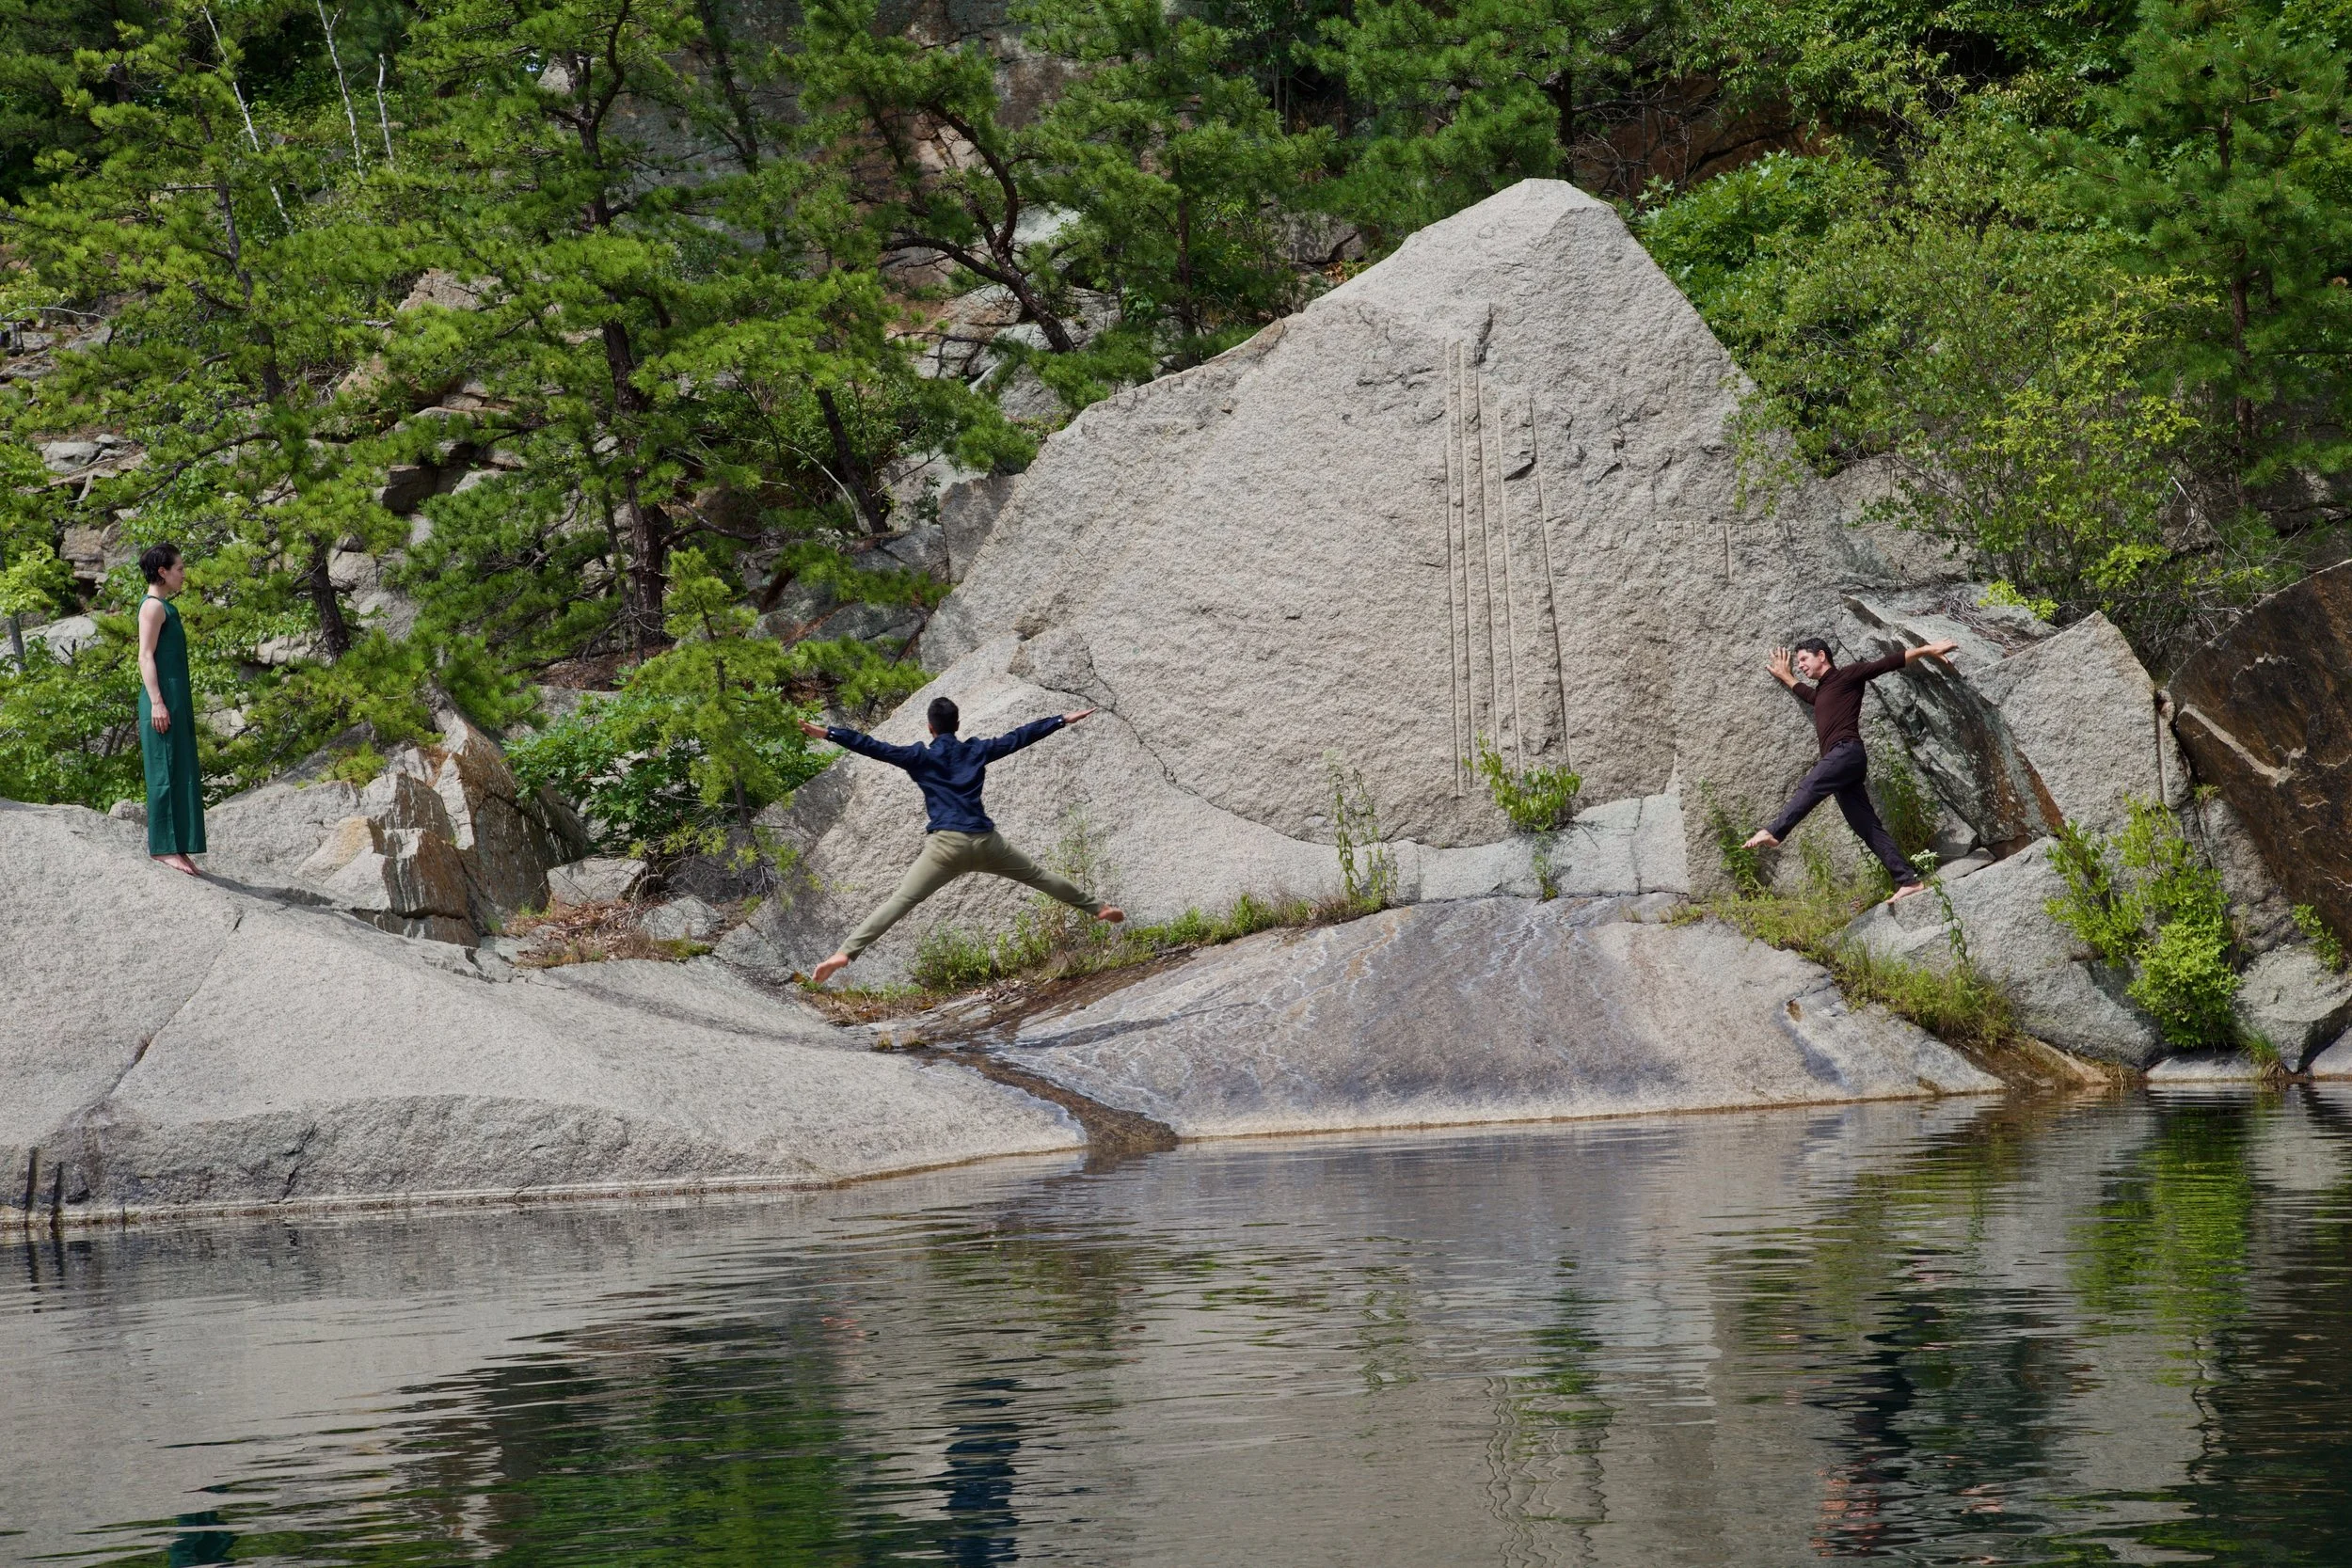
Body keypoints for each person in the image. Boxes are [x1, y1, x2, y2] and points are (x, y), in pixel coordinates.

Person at [798, 695, 1124, 987]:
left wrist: (829, 733)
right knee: (1039, 877)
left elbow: (872, 746)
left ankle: (845, 954)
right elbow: (1018, 738)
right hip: (986, 843)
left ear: (930, 728)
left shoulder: (918, 757)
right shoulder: (976, 751)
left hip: (944, 848)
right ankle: (1098, 909)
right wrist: (1059, 720)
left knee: (899, 902)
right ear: (958, 724)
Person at [1742, 636, 1960, 902]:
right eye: (1798, 661)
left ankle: (1775, 831)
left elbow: (1889, 662)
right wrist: (1786, 676)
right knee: (1866, 825)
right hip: (1845, 767)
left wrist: (1927, 649)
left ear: (1821, 655)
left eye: (1803, 659)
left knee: (1811, 785)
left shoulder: (1848, 676)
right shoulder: (1822, 692)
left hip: (1846, 753)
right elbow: (1806, 693)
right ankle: (1908, 881)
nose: (1800, 665)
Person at [135, 542, 205, 875]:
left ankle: (177, 845)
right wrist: (157, 702)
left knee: (180, 768)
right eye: (179, 569)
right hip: (161, 699)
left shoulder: (165, 607)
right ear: (162, 572)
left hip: (175, 697)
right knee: (164, 769)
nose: (183, 574)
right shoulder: (152, 608)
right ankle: (163, 847)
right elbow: (145, 656)